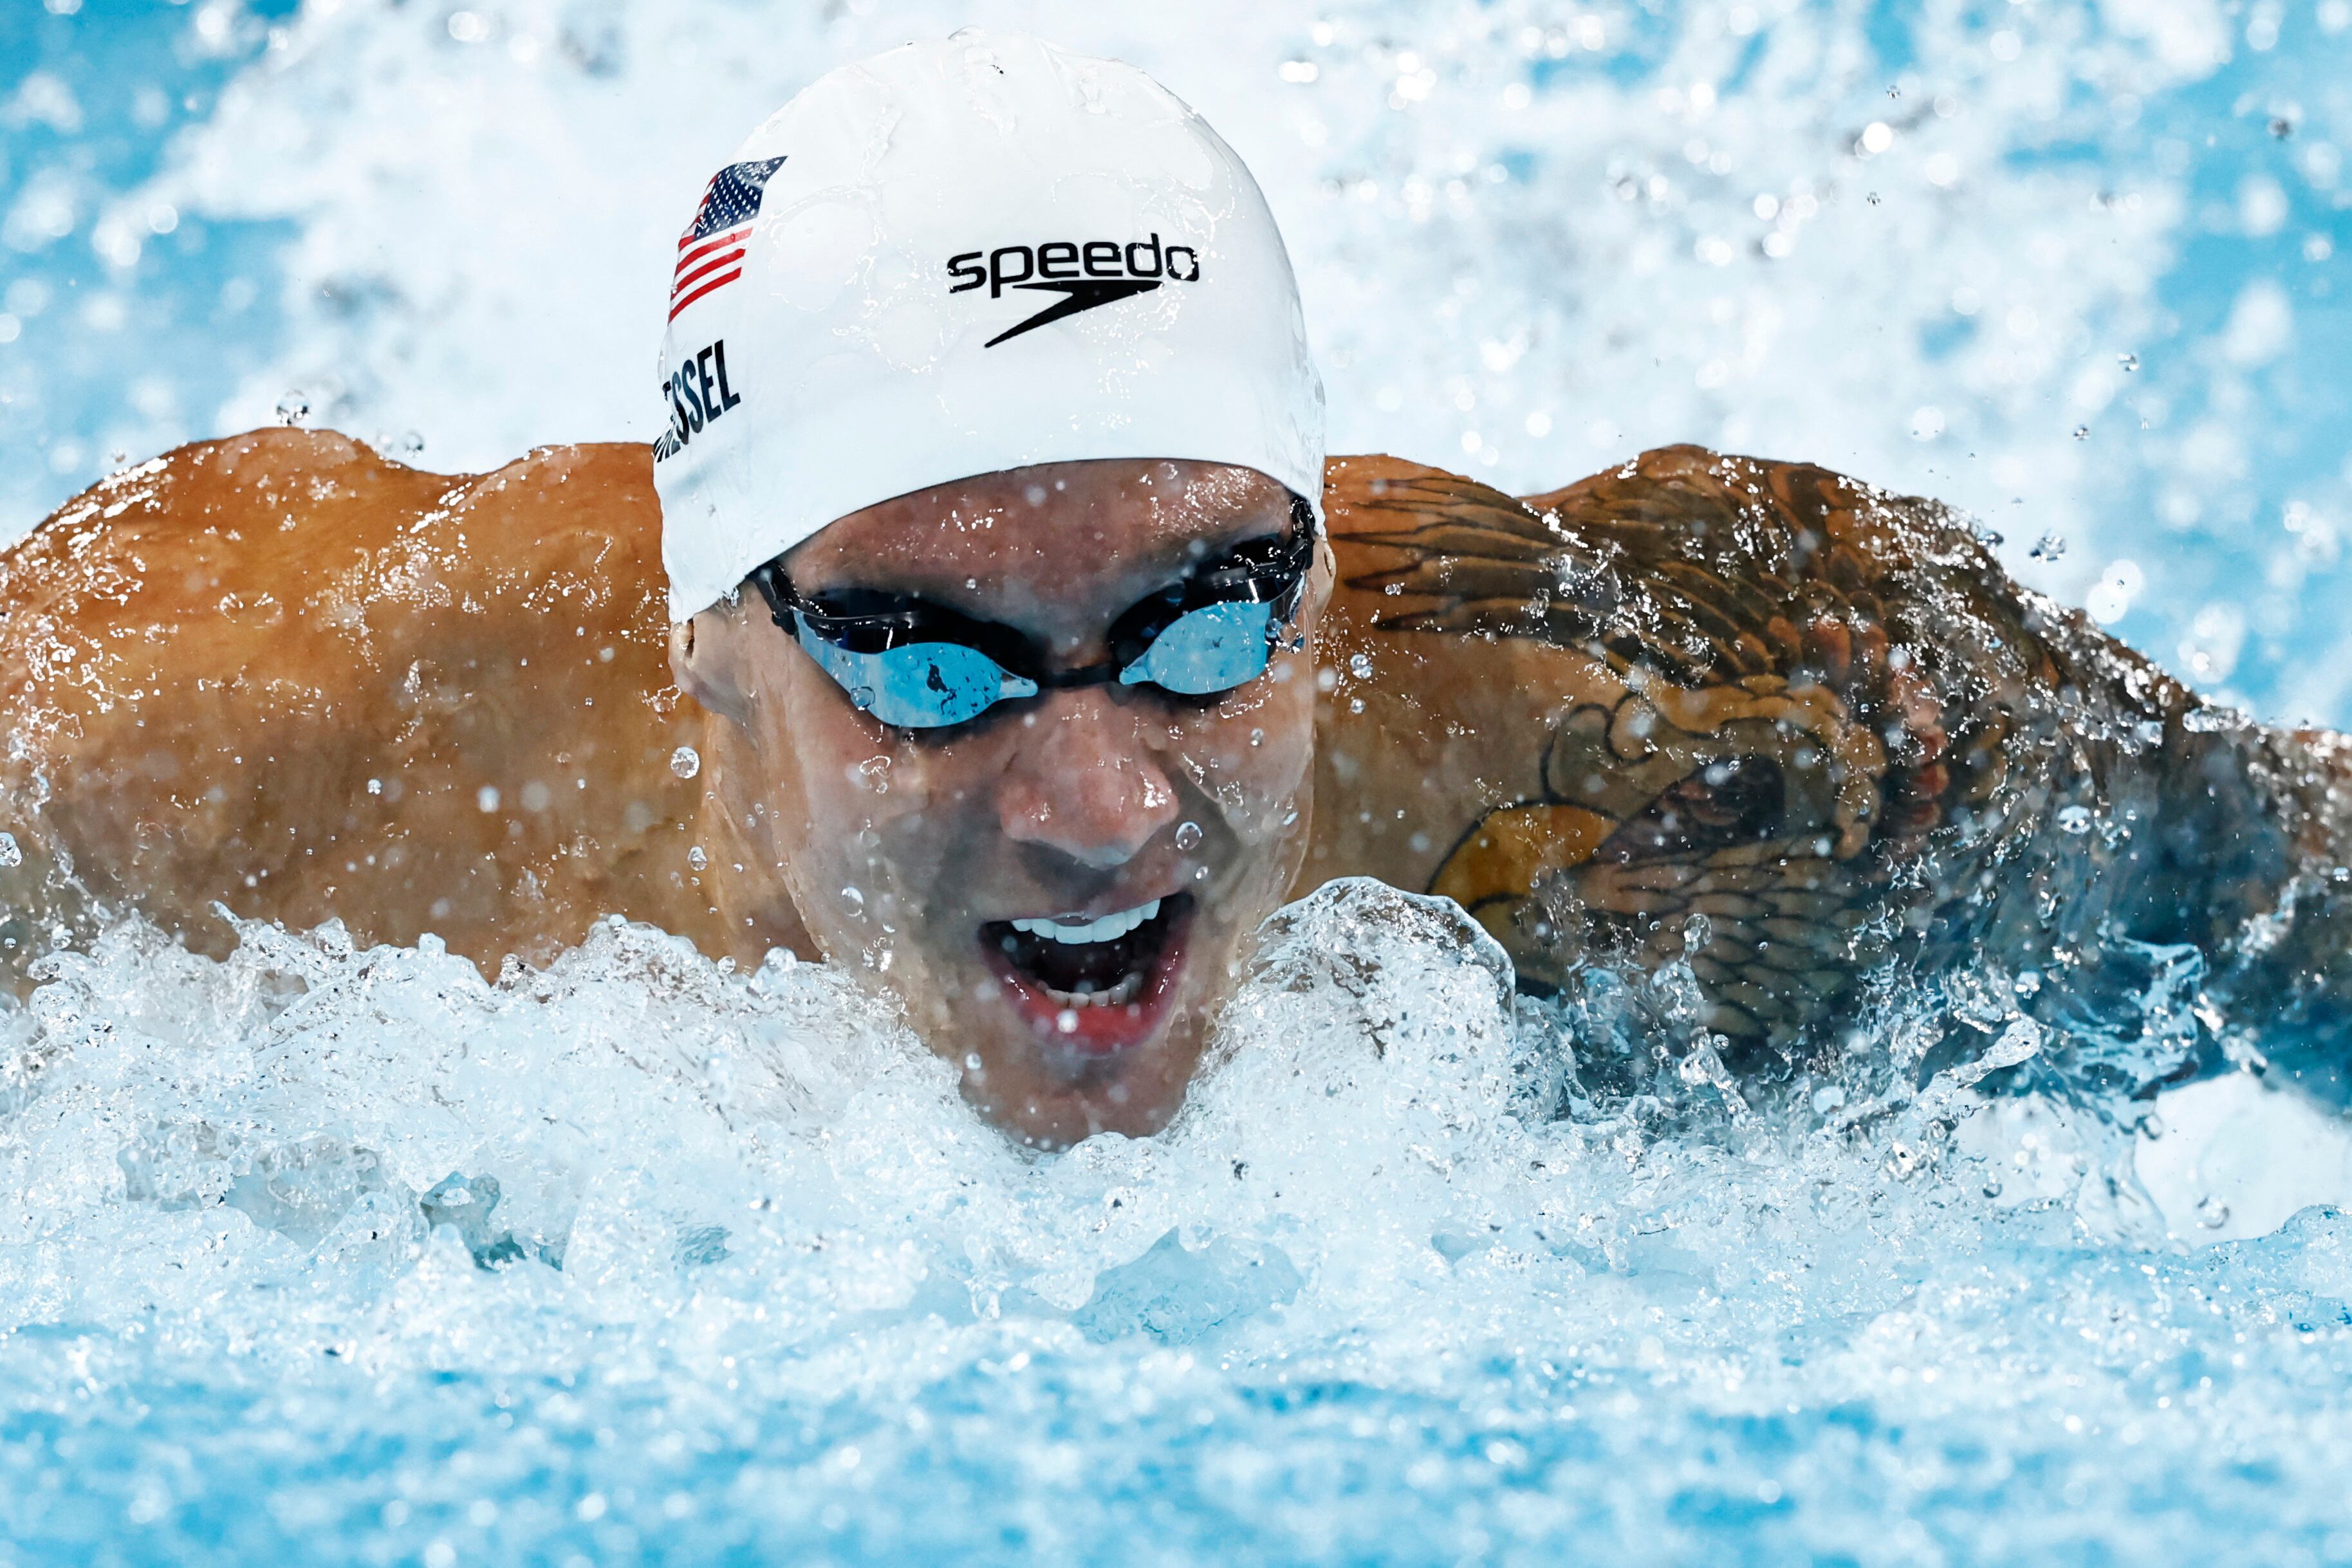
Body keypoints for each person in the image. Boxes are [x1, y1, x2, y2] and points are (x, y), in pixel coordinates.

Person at [3, 35, 2348, 1147]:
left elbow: (2233, 855)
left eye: (1211, 628)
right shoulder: (237, 748)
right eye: (930, 663)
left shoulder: (1595, 750)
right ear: (706, 656)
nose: (1106, 809)